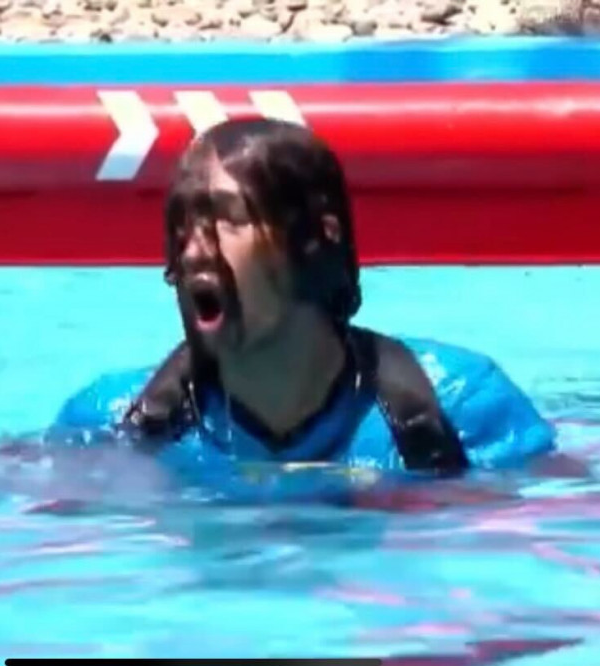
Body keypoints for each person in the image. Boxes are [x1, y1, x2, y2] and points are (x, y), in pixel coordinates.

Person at [47, 119, 555, 503]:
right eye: (182, 226)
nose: (195, 251)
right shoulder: (107, 426)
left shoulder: (462, 409)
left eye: (229, 219)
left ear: (315, 240)